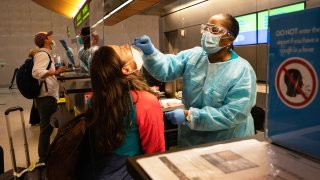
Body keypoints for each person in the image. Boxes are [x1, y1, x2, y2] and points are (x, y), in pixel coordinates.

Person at [133, 13, 257, 147]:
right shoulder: (194, 56)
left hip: (227, 141)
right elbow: (167, 68)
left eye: (214, 30)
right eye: (207, 28)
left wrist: (190, 116)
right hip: (191, 139)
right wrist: (151, 53)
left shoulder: (242, 71)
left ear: (229, 39)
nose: (207, 33)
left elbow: (233, 113)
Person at [76, 45, 165, 179]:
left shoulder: (94, 99)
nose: (125, 46)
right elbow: (155, 155)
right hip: (129, 173)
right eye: (121, 49)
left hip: (98, 172)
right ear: (126, 69)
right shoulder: (146, 102)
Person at [32, 31, 65, 163]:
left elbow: (45, 73)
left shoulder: (45, 54)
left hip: (48, 95)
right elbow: (36, 72)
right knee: (46, 129)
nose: (52, 39)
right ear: (46, 40)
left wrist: (55, 74)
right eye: (50, 37)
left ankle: (46, 156)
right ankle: (43, 160)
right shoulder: (42, 54)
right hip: (46, 98)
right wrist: (55, 72)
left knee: (47, 128)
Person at [27, 48, 41, 126]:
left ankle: (34, 120)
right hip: (34, 86)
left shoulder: (30, 61)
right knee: (36, 104)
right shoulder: (33, 62)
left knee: (35, 103)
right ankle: (34, 120)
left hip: (33, 86)